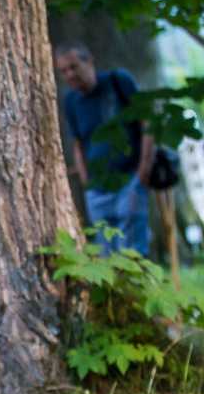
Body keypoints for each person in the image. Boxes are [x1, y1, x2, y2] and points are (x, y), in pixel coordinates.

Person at [55, 44, 156, 256]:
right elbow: (78, 144)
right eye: (63, 71)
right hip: (97, 190)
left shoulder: (118, 82)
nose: (70, 75)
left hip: (129, 179)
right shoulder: (71, 101)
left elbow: (147, 124)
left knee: (133, 251)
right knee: (106, 253)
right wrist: (87, 184)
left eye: (74, 67)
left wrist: (142, 172)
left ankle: (137, 289)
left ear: (89, 61)